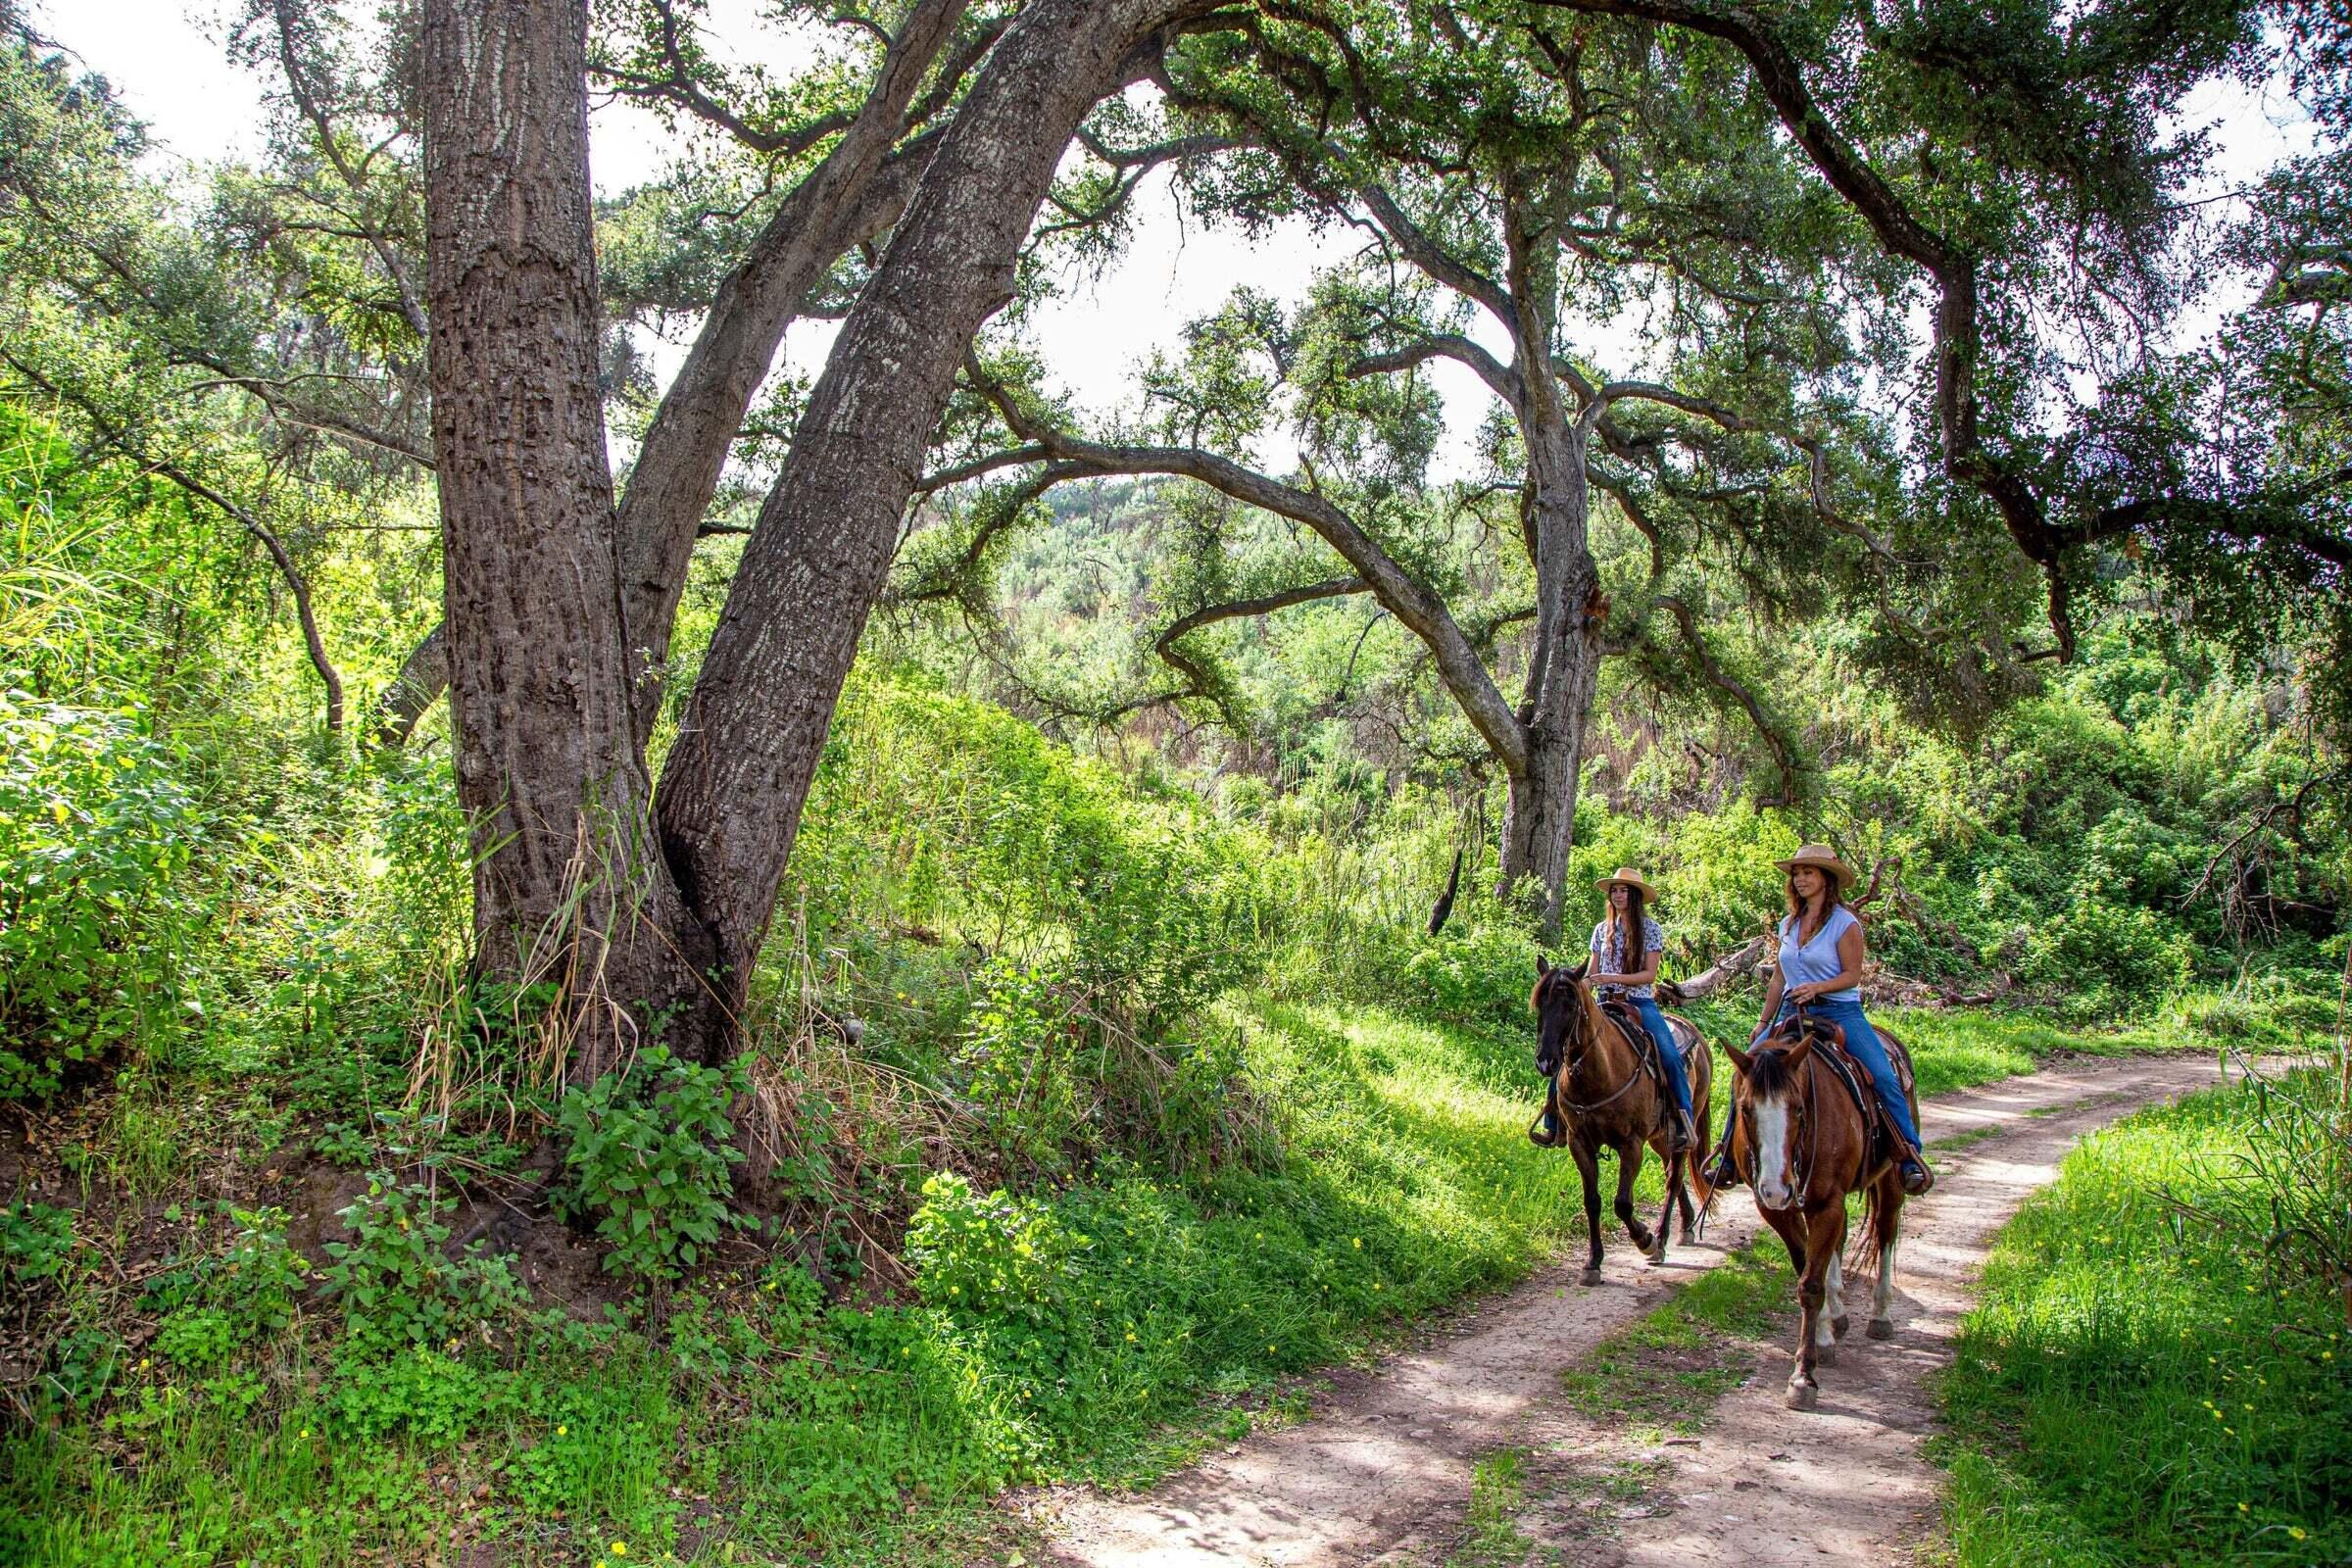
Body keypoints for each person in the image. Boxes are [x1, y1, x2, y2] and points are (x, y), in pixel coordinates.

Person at [1701, 845, 1933, 1196]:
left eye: (1809, 872)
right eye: (1797, 873)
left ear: (1827, 878)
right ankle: (1728, 1158)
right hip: (1792, 1012)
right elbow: (1780, 977)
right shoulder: (1789, 924)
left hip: (1839, 1010)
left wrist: (1818, 988)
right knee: (1745, 1074)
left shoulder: (1845, 923)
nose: (1801, 879)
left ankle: (1908, 1154)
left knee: (1883, 1075)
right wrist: (1764, 1023)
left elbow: (1853, 974)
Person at [1589, 867, 1696, 1150]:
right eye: (1615, 890)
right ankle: (1556, 1117)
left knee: (1670, 1055)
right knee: (1570, 1049)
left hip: (1639, 1002)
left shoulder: (1651, 930)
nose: (1618, 895)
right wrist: (1584, 988)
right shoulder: (1601, 930)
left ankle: (1685, 1119)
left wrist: (1613, 978)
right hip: (1604, 1002)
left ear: (1634, 896)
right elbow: (1592, 970)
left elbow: (1649, 975)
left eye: (1624, 890)